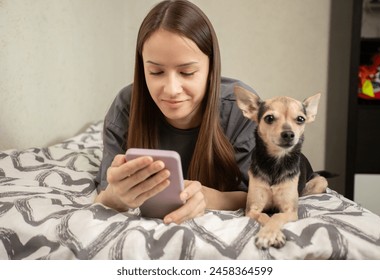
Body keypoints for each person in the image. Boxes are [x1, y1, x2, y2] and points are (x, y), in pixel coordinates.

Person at [94, 0, 258, 225]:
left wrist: (210, 198)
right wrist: (116, 197)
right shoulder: (126, 105)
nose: (171, 90)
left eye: (187, 72)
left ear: (211, 69)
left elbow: (258, 195)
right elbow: (105, 192)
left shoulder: (241, 109)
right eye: (156, 71)